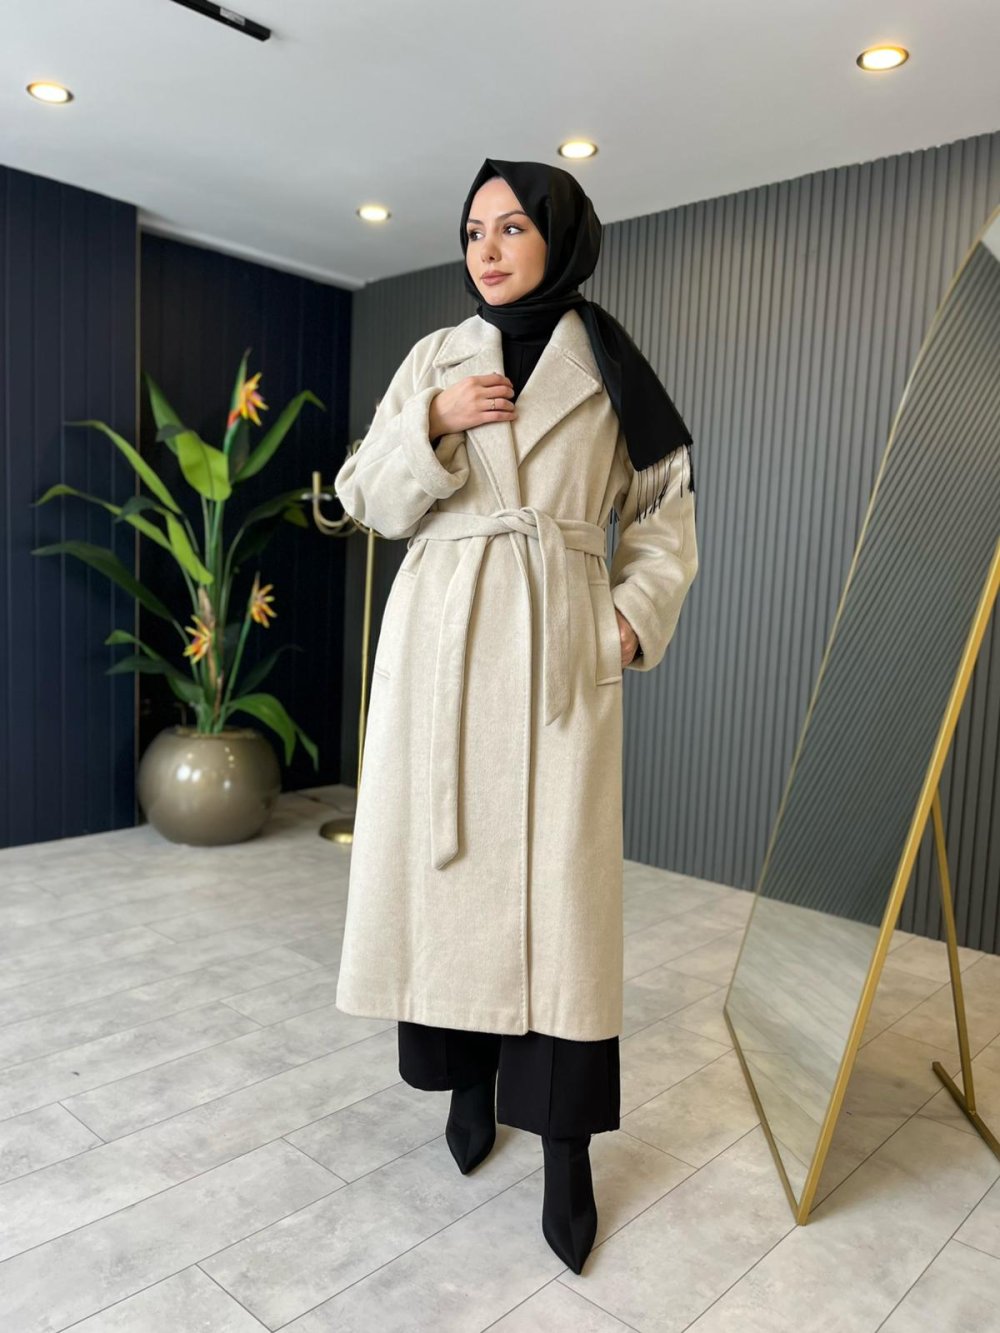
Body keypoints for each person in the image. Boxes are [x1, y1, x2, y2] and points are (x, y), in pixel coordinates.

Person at [333, 156, 699, 1274]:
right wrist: (433, 424)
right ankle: (467, 1085)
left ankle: (566, 1152)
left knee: (562, 904)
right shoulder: (433, 358)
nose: (485, 249)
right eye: (472, 231)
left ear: (559, 236)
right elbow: (365, 496)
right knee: (451, 878)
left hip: (556, 649)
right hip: (442, 643)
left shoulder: (613, 365)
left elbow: (664, 509)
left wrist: (629, 616)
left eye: (509, 228)